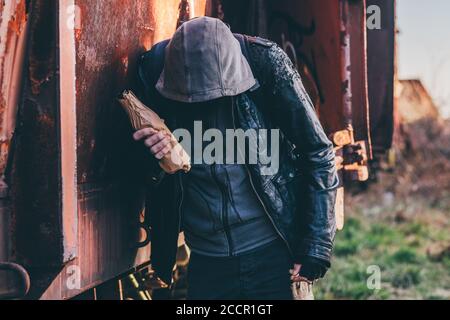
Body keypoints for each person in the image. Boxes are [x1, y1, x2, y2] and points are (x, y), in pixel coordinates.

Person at [133, 16, 338, 300]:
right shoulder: (153, 72)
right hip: (207, 261)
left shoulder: (265, 63)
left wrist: (316, 246)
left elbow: (318, 151)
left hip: (272, 254)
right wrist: (154, 161)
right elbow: (140, 176)